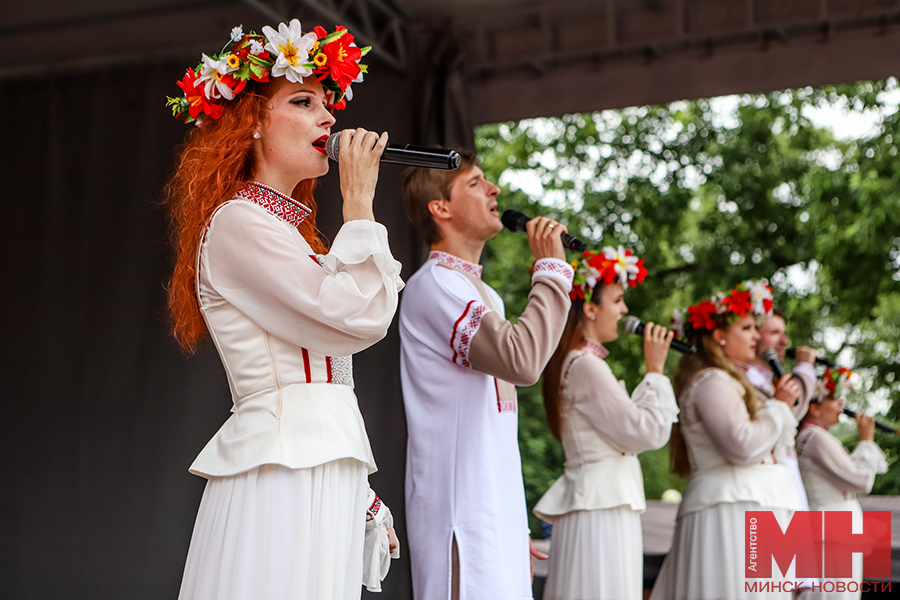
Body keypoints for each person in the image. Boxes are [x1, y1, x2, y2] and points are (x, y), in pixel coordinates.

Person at [164, 20, 401, 600]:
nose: (329, 119)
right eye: (303, 101)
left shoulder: (292, 234)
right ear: (250, 125)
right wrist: (360, 202)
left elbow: (334, 361)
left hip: (316, 463)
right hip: (279, 471)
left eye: (328, 105)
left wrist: (356, 485)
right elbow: (352, 319)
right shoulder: (239, 222)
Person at [399, 151, 573, 600]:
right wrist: (551, 271)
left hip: (491, 512)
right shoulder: (437, 283)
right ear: (441, 208)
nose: (494, 190)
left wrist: (511, 519)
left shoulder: (483, 291)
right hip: (462, 516)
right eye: (476, 183)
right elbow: (522, 360)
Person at [533, 248, 679, 600]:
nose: (625, 310)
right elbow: (645, 431)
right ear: (590, 308)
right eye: (617, 300)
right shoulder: (585, 365)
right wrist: (655, 372)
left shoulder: (581, 362)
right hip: (599, 506)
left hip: (601, 501)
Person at [650, 280, 802, 600]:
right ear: (719, 336)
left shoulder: (735, 382)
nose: (757, 336)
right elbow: (742, 445)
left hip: (757, 504)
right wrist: (780, 406)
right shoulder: (711, 381)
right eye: (747, 328)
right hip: (731, 509)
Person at [797, 367, 887, 599]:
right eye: (833, 399)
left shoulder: (818, 437)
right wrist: (866, 440)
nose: (841, 404)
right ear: (814, 408)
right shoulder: (815, 438)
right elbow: (861, 481)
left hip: (836, 531)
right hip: (831, 532)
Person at [747, 308, 819, 509]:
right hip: (762, 486)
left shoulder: (765, 379)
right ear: (753, 335)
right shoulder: (747, 380)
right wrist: (804, 368)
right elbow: (792, 411)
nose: (785, 341)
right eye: (774, 333)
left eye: (784, 333)